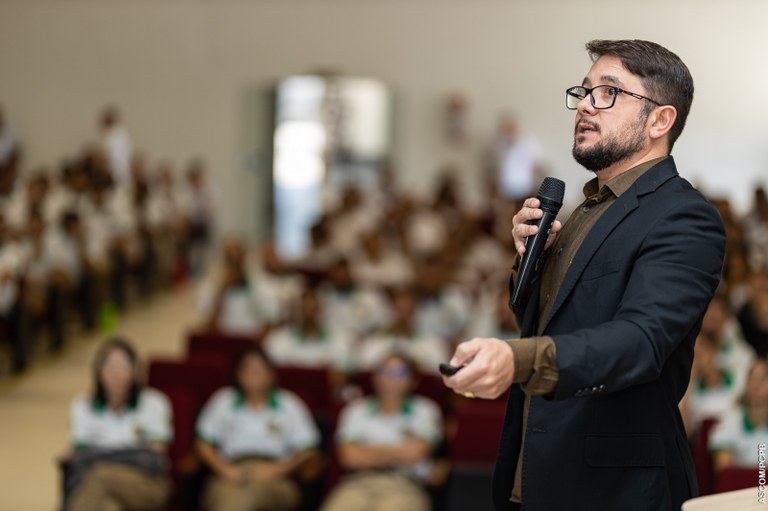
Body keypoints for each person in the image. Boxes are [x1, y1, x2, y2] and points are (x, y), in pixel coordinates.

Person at [442, 39, 726, 510]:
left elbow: (640, 341)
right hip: (541, 472)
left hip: (614, 489)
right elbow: (555, 322)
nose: (585, 106)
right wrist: (530, 263)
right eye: (584, 91)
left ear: (660, 120)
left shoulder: (683, 216)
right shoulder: (588, 207)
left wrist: (518, 361)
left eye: (608, 92)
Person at [196, 346, 321, 511]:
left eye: (259, 368)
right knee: (227, 495)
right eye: (247, 368)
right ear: (237, 374)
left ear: (272, 375)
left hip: (276, 476)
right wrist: (224, 470)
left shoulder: (289, 404)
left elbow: (308, 450)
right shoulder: (223, 400)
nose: (253, 373)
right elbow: (203, 444)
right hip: (230, 472)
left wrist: (278, 469)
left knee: (242, 497)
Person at [321, 354, 443, 511]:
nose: (388, 378)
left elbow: (416, 453)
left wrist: (365, 450)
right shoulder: (355, 410)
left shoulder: (426, 410)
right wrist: (401, 451)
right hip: (357, 483)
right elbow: (349, 457)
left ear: (414, 381)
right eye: (383, 371)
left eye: (398, 373)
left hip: (405, 485)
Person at [64, 339, 173, 511]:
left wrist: (98, 457)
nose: (116, 374)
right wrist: (132, 453)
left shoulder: (155, 403)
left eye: (123, 367)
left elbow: (154, 457)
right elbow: (79, 457)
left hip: (146, 482)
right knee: (107, 506)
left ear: (135, 371)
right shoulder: (82, 407)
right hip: (95, 485)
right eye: (110, 366)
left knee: (100, 475)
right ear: (98, 371)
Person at [709, 358, 768, 471]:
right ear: (745, 385)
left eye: (762, 379)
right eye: (752, 379)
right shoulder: (727, 423)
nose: (756, 385)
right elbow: (724, 473)